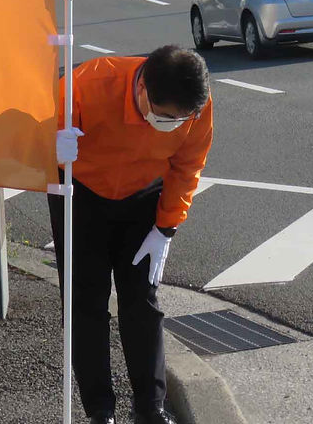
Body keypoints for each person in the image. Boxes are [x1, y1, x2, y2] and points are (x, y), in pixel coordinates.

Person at [50, 45, 214, 424]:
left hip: (144, 196)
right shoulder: (86, 86)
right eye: (165, 117)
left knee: (142, 300)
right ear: (142, 89)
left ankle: (149, 408)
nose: (173, 124)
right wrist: (52, 146)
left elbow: (188, 166)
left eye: (180, 119)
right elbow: (33, 134)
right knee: (84, 303)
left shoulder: (196, 103)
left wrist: (166, 227)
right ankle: (99, 410)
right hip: (81, 192)